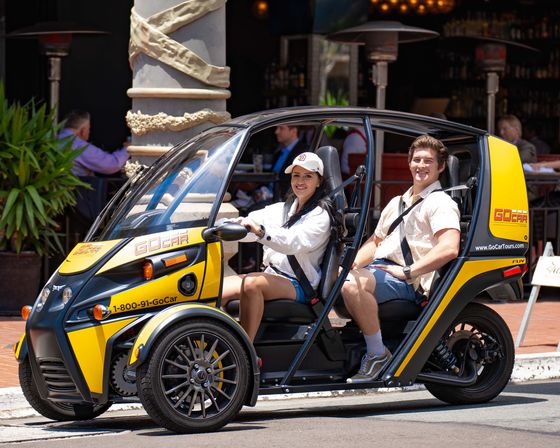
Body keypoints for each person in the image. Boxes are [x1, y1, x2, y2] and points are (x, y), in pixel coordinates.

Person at [341, 135, 461, 383]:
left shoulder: (440, 202)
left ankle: (377, 354)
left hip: (409, 282)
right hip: (380, 271)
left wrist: (410, 271)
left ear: (440, 167)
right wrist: (349, 266)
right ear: (409, 163)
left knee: (351, 284)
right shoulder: (397, 202)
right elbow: (375, 243)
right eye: (416, 159)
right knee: (339, 277)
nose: (421, 165)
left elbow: (449, 247)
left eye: (428, 161)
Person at [221, 152, 332, 341]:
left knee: (252, 284)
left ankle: (246, 352)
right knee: (215, 289)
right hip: (272, 275)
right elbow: (250, 225)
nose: (300, 181)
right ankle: (220, 342)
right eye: (296, 175)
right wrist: (227, 225)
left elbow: (292, 242)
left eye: (308, 176)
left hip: (299, 284)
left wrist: (261, 232)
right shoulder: (281, 209)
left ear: (319, 181)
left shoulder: (320, 216)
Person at [59, 110, 129, 176]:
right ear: (83, 131)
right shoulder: (78, 145)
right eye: (89, 129)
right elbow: (112, 165)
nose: (89, 133)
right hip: (73, 188)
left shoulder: (53, 139)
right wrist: (128, 148)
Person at [271, 125, 308, 197]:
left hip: (283, 198)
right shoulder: (279, 152)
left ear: (293, 131)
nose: (276, 132)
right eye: (276, 128)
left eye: (281, 128)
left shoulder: (303, 153)